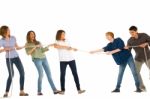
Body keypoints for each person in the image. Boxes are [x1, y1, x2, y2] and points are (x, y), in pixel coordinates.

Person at [25, 31, 60, 95]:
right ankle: (39, 91)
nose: (33, 35)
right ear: (28, 36)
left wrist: (49, 46)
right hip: (36, 60)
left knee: (49, 75)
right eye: (31, 34)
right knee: (41, 75)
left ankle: (54, 90)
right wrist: (35, 47)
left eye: (33, 34)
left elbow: (42, 50)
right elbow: (28, 53)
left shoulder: (38, 42)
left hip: (44, 58)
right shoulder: (27, 44)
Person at [54, 30, 85, 95]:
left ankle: (79, 89)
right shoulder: (56, 41)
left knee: (75, 74)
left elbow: (69, 48)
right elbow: (56, 46)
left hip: (71, 59)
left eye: (64, 34)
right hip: (63, 60)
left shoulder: (67, 40)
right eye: (62, 34)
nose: (64, 35)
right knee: (62, 75)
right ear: (59, 34)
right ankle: (62, 90)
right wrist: (65, 47)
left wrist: (73, 49)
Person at [0, 25, 28, 97]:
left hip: (16, 57)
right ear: (4, 32)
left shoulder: (13, 38)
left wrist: (24, 46)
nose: (10, 31)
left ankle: (21, 91)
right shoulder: (1, 41)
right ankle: (6, 92)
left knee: (22, 73)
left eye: (9, 30)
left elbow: (17, 47)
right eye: (8, 30)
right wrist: (5, 49)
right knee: (11, 75)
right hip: (8, 58)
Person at [125, 26, 150, 91]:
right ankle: (142, 87)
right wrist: (126, 49)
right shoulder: (130, 40)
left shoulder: (144, 35)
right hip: (138, 58)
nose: (131, 34)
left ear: (136, 31)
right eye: (130, 33)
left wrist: (146, 43)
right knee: (135, 72)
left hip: (148, 56)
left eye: (132, 32)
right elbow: (128, 51)